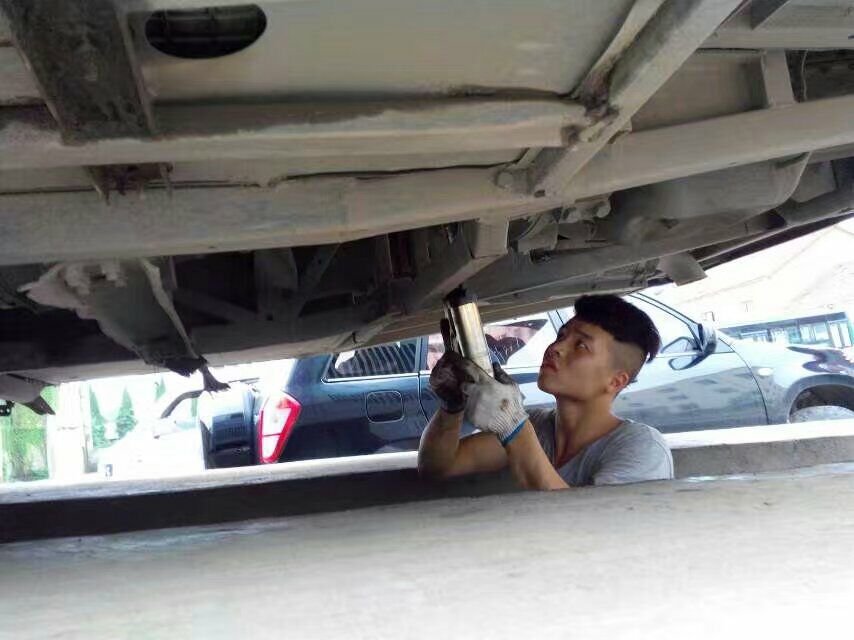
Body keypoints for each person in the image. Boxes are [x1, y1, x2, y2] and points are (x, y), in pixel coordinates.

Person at [417, 295, 674, 490]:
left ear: (616, 381)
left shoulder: (642, 447)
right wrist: (452, 407)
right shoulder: (540, 427)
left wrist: (513, 427)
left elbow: (588, 527)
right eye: (562, 335)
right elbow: (437, 467)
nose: (556, 347)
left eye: (581, 345)